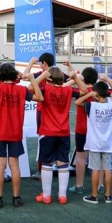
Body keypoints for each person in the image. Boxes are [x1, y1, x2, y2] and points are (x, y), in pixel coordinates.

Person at [0, 63, 43, 208]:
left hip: (0, 132)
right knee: (14, 165)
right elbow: (40, 98)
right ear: (14, 75)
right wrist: (31, 79)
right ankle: (16, 198)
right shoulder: (21, 89)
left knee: (1, 164)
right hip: (15, 132)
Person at [33, 66, 84, 205]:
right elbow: (84, 91)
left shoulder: (45, 89)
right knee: (63, 163)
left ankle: (47, 196)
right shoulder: (68, 90)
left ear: (48, 79)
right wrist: (74, 78)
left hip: (47, 131)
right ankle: (62, 196)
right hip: (64, 132)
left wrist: (43, 75)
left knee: (47, 163)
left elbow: (32, 88)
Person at [69, 68, 112, 194]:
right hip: (96, 131)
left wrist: (75, 78)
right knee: (100, 159)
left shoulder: (82, 91)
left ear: (83, 79)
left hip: (82, 129)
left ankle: (79, 185)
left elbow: (67, 88)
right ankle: (100, 185)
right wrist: (107, 79)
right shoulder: (100, 92)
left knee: (81, 157)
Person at [77, 82, 112, 204]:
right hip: (108, 143)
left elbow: (77, 102)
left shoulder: (91, 105)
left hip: (95, 143)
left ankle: (94, 196)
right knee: (107, 169)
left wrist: (90, 93)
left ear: (96, 94)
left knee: (95, 169)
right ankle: (108, 195)